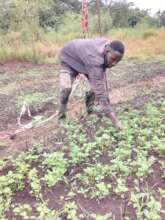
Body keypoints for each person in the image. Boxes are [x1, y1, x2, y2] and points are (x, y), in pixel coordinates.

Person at [58, 38, 125, 130]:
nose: (114, 63)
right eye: (113, 59)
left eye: (118, 61)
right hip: (68, 59)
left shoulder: (108, 45)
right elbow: (100, 92)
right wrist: (115, 120)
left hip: (85, 61)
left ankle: (90, 108)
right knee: (66, 88)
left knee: (94, 87)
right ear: (107, 51)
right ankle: (61, 118)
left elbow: (98, 84)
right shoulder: (95, 59)